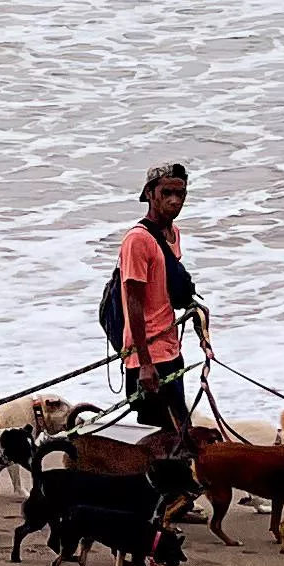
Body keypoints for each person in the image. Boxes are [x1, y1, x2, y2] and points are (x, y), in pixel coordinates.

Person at [107, 160, 209, 448]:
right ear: (150, 194)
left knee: (175, 428)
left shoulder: (173, 234)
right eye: (167, 193)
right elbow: (133, 303)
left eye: (181, 194)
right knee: (174, 430)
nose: (175, 201)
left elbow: (166, 285)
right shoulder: (138, 240)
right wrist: (145, 364)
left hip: (169, 345)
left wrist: (195, 311)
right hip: (148, 352)